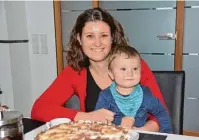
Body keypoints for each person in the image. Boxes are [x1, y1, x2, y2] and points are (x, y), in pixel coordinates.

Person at [31, 8, 167, 132]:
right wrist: (87, 117)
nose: (97, 43)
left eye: (103, 35)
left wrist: (137, 132)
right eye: (90, 36)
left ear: (113, 38)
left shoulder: (134, 66)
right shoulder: (75, 71)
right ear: (79, 38)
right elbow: (39, 108)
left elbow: (160, 115)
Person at [95, 45, 172, 133]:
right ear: (111, 74)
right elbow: (99, 119)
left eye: (135, 68)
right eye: (123, 69)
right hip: (113, 139)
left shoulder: (145, 95)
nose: (130, 73)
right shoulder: (105, 96)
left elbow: (161, 112)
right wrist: (119, 121)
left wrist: (167, 133)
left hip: (141, 139)